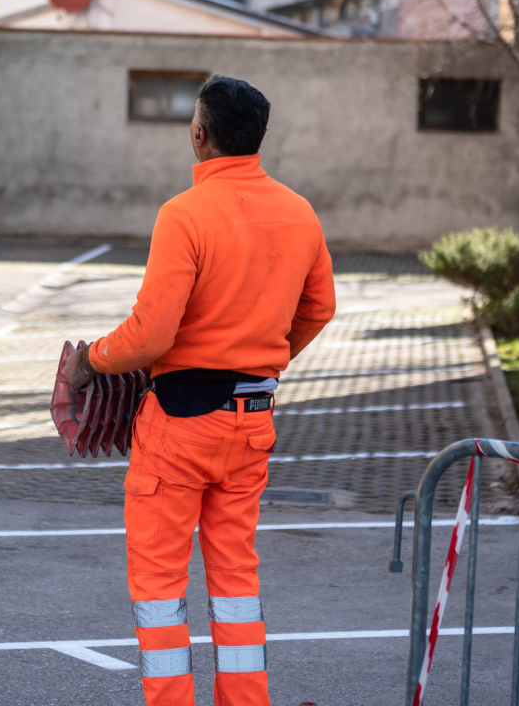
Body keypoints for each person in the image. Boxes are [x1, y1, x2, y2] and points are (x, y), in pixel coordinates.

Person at [65, 74, 336, 706]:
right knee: (236, 579)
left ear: (199, 134)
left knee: (160, 589)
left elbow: (149, 335)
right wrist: (267, 358)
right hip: (253, 420)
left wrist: (92, 361)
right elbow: (319, 308)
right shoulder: (299, 212)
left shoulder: (184, 214)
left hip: (180, 426)